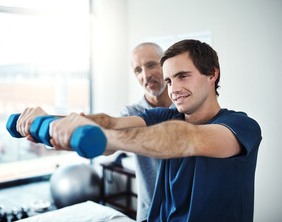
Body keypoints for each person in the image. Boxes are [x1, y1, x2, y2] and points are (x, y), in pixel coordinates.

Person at [16, 39, 262, 221]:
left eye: (183, 76)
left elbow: (184, 139)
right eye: (169, 80)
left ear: (212, 74)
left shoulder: (241, 126)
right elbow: (110, 121)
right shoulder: (165, 115)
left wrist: (102, 137)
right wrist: (50, 119)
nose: (173, 88)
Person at [120, 42, 171, 221]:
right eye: (138, 70)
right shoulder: (130, 114)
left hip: (185, 213)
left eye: (151, 65)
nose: (146, 75)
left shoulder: (186, 110)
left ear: (165, 64)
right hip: (149, 214)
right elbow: (106, 144)